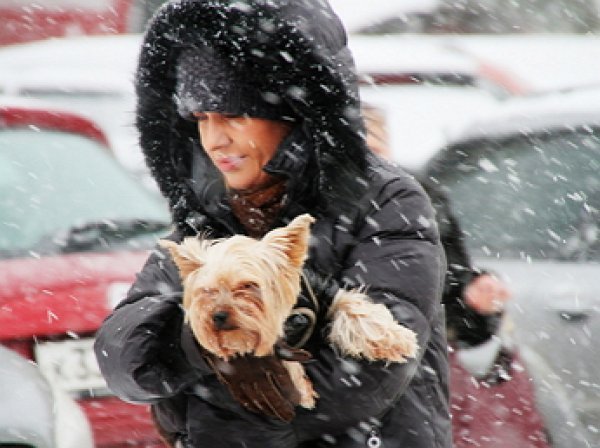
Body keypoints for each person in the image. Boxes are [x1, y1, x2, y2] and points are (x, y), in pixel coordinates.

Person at [93, 1, 452, 447]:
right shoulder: (206, 215)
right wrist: (195, 340)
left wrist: (203, 395)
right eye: (200, 119)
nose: (214, 139)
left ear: (295, 112)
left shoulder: (383, 201)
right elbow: (121, 361)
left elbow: (373, 369)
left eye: (234, 115)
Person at [362, 104, 549, 447]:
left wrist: (475, 300)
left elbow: (458, 303)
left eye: (376, 144)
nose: (370, 159)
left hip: (414, 388)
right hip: (340, 392)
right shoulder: (302, 206)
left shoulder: (422, 200)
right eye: (357, 144)